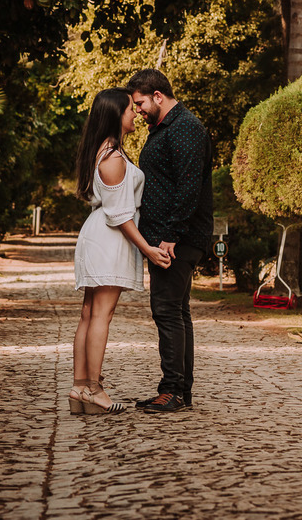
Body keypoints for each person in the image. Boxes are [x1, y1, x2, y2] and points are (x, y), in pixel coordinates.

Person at [70, 88, 171, 415]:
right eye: (130, 109)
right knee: (100, 314)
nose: (135, 114)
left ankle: (79, 389)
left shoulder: (104, 151)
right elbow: (120, 215)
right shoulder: (112, 158)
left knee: (88, 313)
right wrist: (148, 250)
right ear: (115, 115)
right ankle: (94, 389)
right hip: (109, 238)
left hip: (99, 235)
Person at [127, 69, 213, 414]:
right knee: (177, 312)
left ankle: (173, 390)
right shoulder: (167, 129)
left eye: (140, 103)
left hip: (176, 239)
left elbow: (188, 186)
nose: (138, 111)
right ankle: (180, 390)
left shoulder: (185, 128)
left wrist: (170, 236)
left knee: (166, 311)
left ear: (158, 95)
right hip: (171, 235)